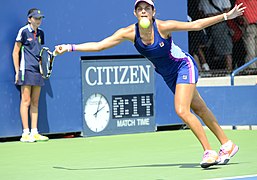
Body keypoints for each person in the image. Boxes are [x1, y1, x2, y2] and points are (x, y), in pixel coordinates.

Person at [55, 0, 245, 168]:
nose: (144, 11)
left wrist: (227, 15)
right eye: (140, 9)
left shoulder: (163, 27)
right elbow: (100, 45)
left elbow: (195, 25)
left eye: (147, 8)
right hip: (168, 75)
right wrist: (70, 47)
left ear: (153, 12)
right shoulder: (129, 32)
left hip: (183, 67)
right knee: (200, 109)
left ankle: (209, 152)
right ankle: (227, 144)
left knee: (181, 110)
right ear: (136, 14)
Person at [12, 8, 49, 142]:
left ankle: (34, 132)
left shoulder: (41, 33)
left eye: (40, 18)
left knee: (35, 101)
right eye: (35, 18)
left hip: (37, 70)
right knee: (26, 100)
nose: (38, 20)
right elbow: (15, 52)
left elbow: (39, 53)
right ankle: (25, 133)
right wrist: (17, 71)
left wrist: (43, 68)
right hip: (25, 69)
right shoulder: (23, 31)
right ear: (29, 19)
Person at [199, 0, 234, 71]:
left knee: (226, 48)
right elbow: (200, 11)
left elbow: (228, 11)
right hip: (207, 25)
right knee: (202, 45)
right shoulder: (203, 1)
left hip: (220, 24)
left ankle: (229, 69)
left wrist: (214, 16)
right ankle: (205, 66)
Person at [235, 0, 257, 69]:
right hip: (252, 24)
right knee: (252, 51)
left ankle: (252, 68)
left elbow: (237, 14)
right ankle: (252, 68)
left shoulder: (239, 1)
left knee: (251, 50)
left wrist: (244, 20)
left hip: (249, 25)